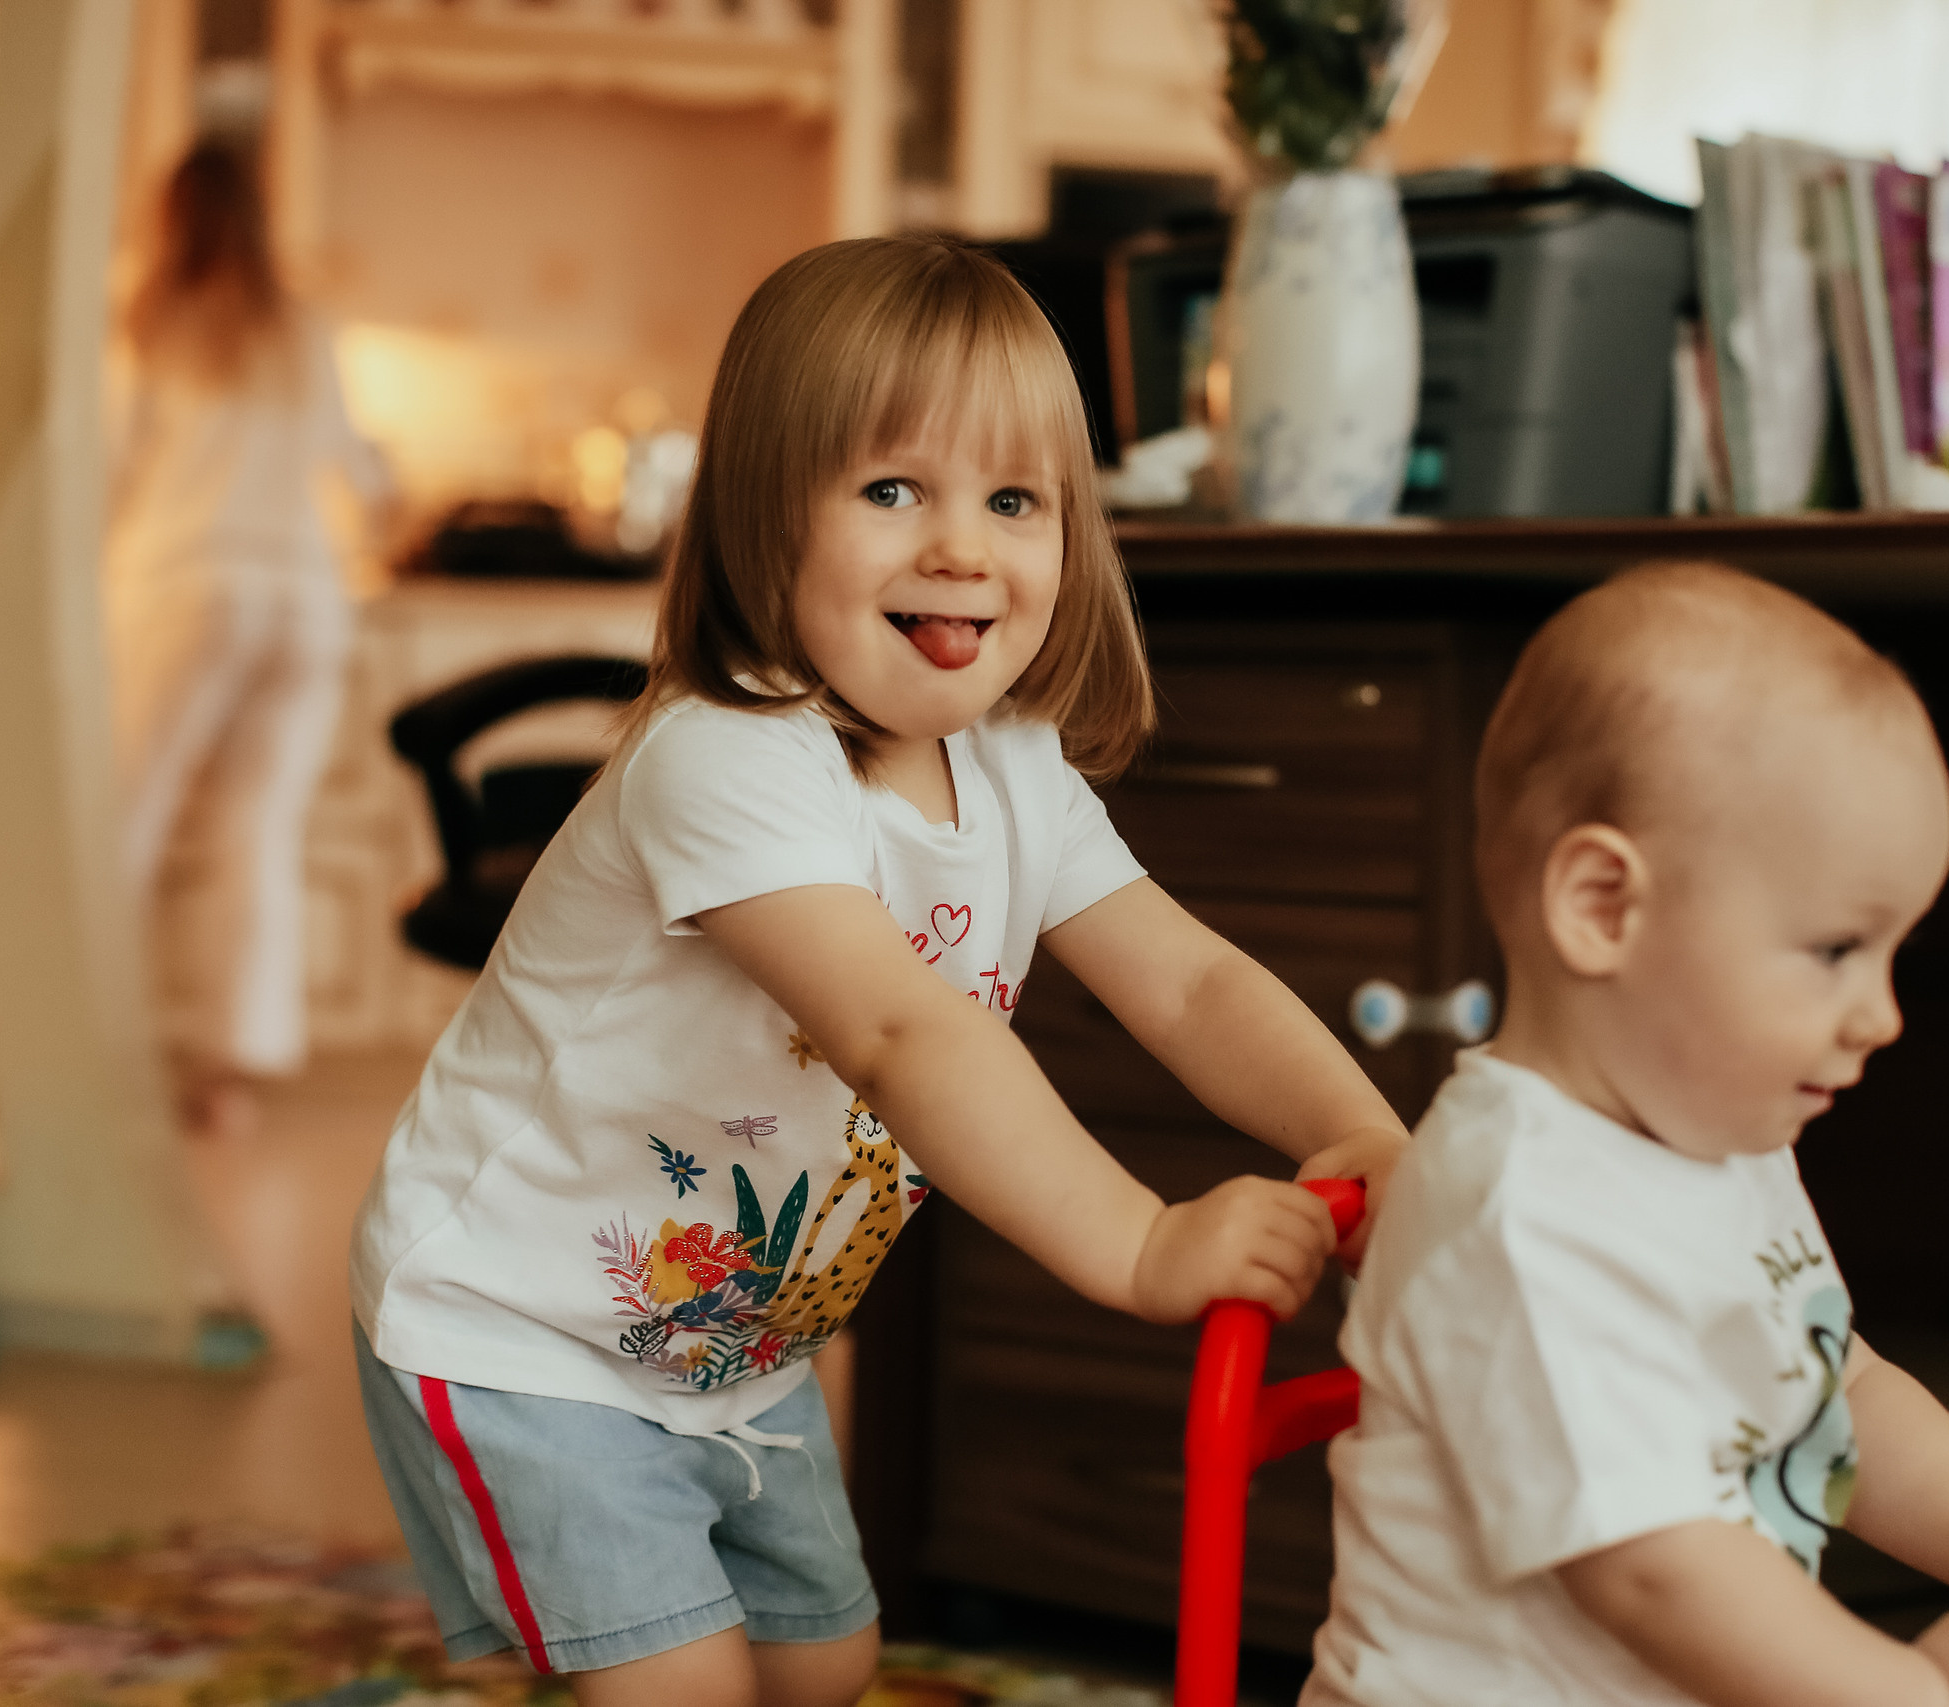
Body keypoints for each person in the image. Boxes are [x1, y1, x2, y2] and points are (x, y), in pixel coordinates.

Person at [348, 234, 1413, 1707]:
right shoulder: (724, 757)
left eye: (1014, 498)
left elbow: (1186, 982)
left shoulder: (1014, 765)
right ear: (762, 519)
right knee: (681, 1689)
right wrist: (1140, 1241)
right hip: (521, 1325)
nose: (962, 545)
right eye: (892, 489)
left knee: (823, 1663)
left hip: (732, 1349)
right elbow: (903, 1031)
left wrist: (1357, 1132)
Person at [1305, 563, 1949, 1707]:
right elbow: (1655, 1576)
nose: (1881, 1015)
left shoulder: (1714, 1141)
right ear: (1603, 908)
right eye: (1834, 951)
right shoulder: (1522, 1215)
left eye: (1892, 954)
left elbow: (1838, 1391)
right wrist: (1923, 1692)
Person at [104, 138, 395, 1141]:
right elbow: (359, 472)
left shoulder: (148, 320)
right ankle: (227, 1080)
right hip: (303, 599)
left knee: (124, 821)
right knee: (253, 834)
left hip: (190, 584)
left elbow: (107, 467)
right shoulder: (300, 323)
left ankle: (89, 1051)